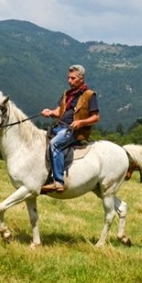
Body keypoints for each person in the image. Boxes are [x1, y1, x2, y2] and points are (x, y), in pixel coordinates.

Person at [40, 64, 100, 193]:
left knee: (55, 144)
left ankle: (59, 182)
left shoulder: (89, 95)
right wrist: (50, 112)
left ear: (81, 79)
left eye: (73, 78)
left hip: (74, 131)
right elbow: (58, 111)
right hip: (58, 126)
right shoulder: (66, 94)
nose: (69, 81)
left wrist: (81, 122)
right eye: (68, 78)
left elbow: (95, 118)